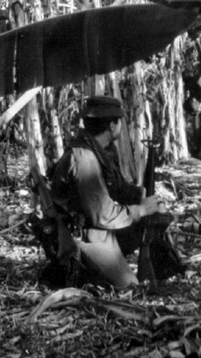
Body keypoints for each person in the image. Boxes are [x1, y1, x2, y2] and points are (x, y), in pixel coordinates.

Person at [49, 95, 178, 289]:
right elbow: (104, 215)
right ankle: (84, 273)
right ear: (112, 125)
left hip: (98, 231)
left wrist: (142, 196)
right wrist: (140, 210)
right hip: (83, 238)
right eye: (120, 122)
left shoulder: (100, 151)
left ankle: (159, 274)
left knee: (158, 217)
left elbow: (118, 189)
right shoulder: (85, 160)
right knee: (131, 288)